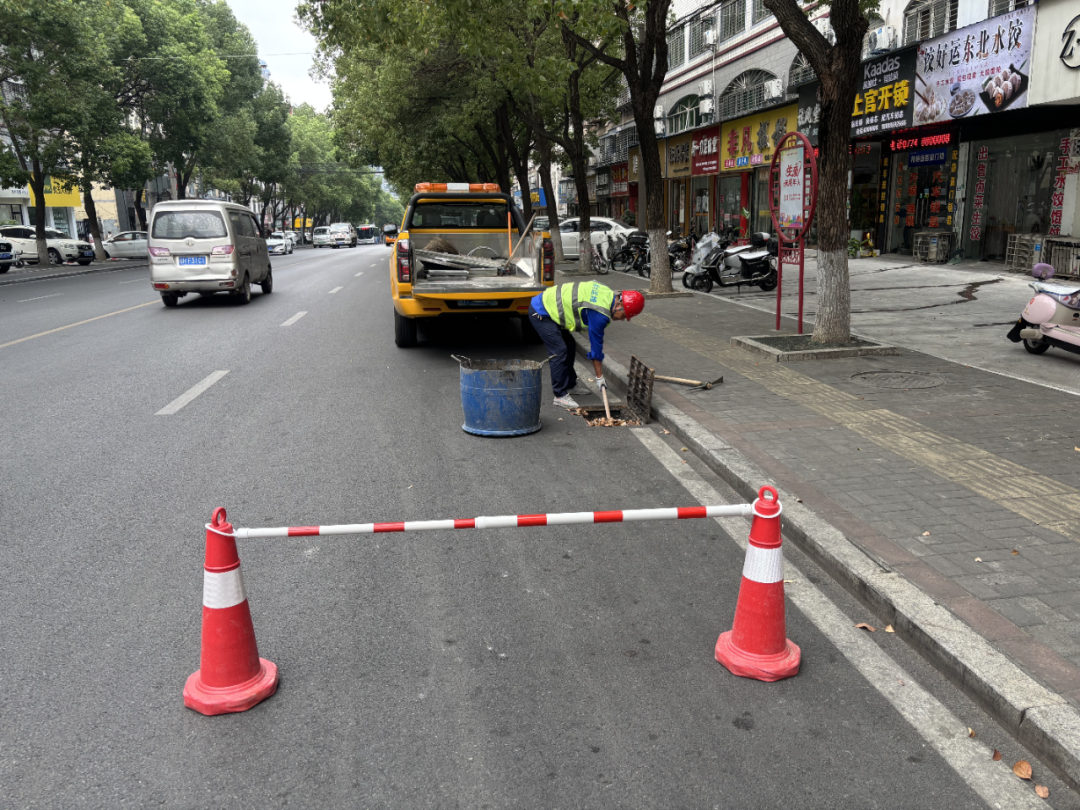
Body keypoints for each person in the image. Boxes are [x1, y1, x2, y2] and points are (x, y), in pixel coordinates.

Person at [528, 281, 645, 408]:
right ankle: (560, 395)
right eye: (624, 315)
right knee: (559, 351)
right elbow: (596, 349)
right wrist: (599, 377)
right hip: (541, 311)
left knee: (570, 346)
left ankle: (570, 385)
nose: (622, 319)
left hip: (551, 307)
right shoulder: (600, 314)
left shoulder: (608, 295)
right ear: (619, 304)